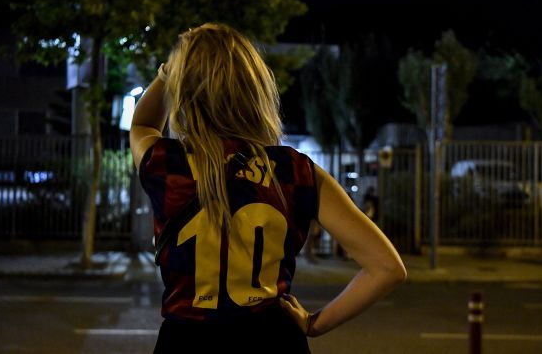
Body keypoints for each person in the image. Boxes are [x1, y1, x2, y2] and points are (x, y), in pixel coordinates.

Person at [130, 23, 406, 353]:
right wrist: (313, 324)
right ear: (256, 91)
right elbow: (387, 268)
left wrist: (166, 72)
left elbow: (143, 123)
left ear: (185, 93)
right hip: (272, 339)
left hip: (188, 340)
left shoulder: (167, 164)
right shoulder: (296, 171)